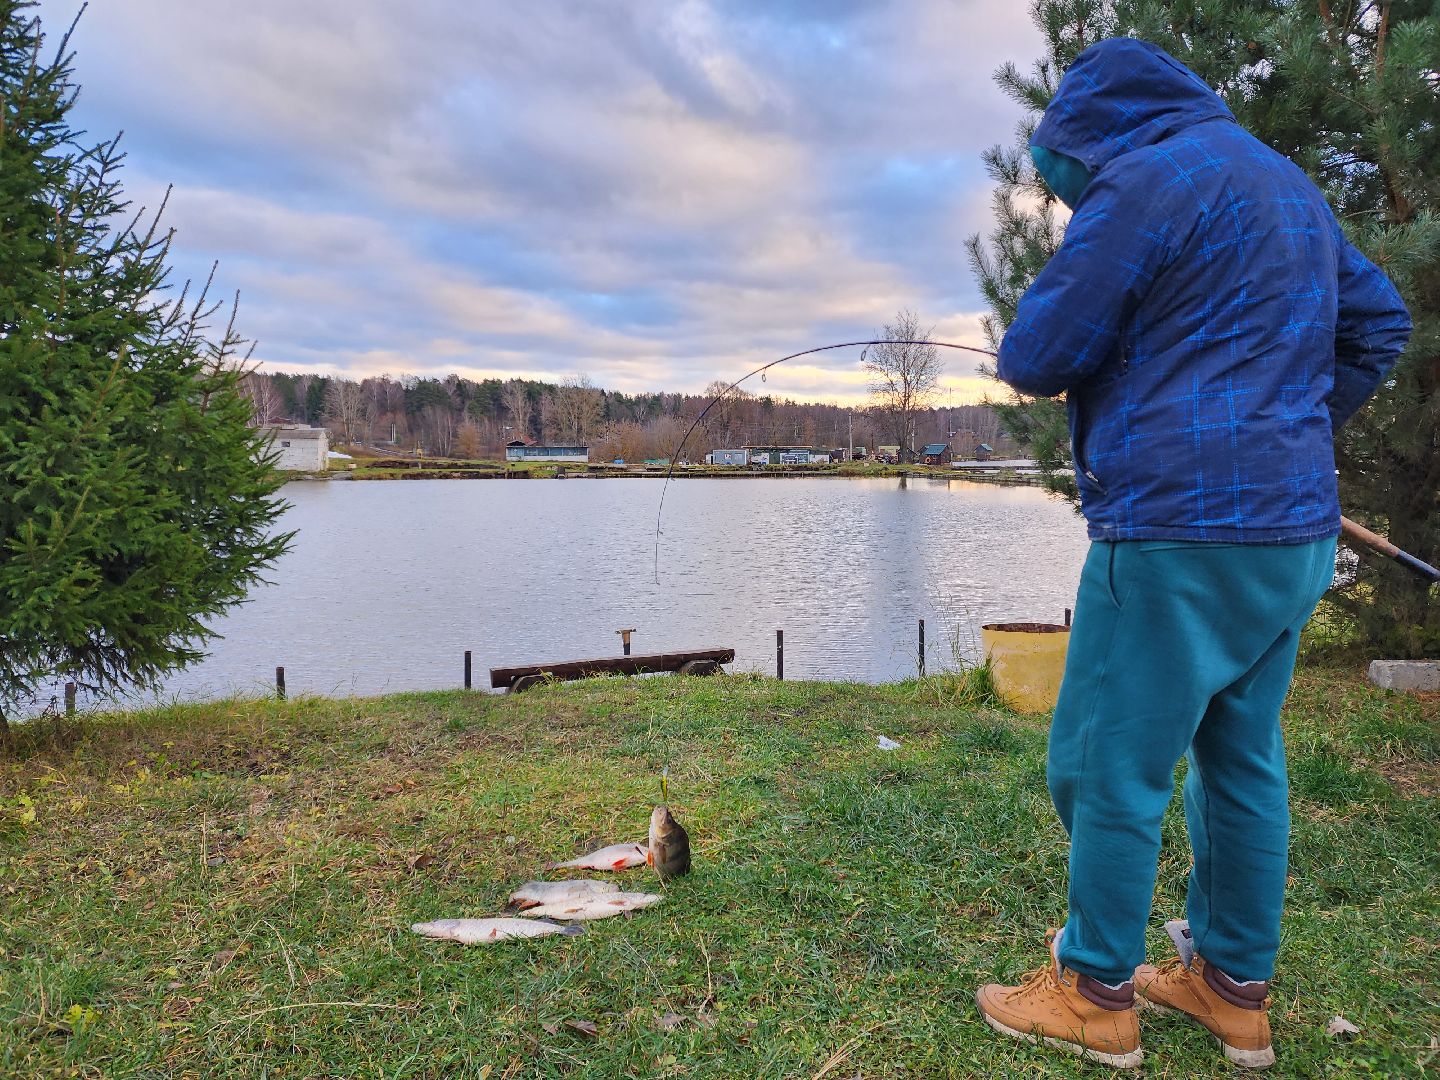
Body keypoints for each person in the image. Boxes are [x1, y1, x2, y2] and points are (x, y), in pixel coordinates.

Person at [975, 37, 1410, 1070]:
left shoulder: (1143, 183)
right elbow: (1378, 325)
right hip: (1291, 535)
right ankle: (1229, 988)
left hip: (1177, 535)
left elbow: (1036, 353)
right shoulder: (1285, 183)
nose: (1071, 195)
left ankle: (1093, 994)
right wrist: (1286, 429)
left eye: (1063, 175)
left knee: (1105, 764)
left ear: (1087, 134)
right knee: (1242, 756)